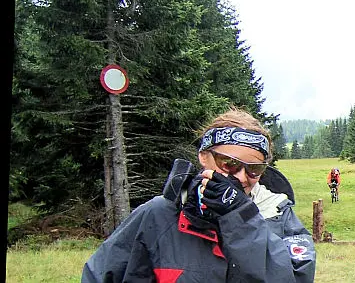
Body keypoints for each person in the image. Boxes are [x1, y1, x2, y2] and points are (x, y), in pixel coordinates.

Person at [82, 107, 316, 283]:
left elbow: (295, 278)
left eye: (254, 169)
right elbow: (100, 275)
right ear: (204, 157)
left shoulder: (279, 217)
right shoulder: (158, 215)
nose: (242, 177)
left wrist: (240, 217)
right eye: (229, 164)